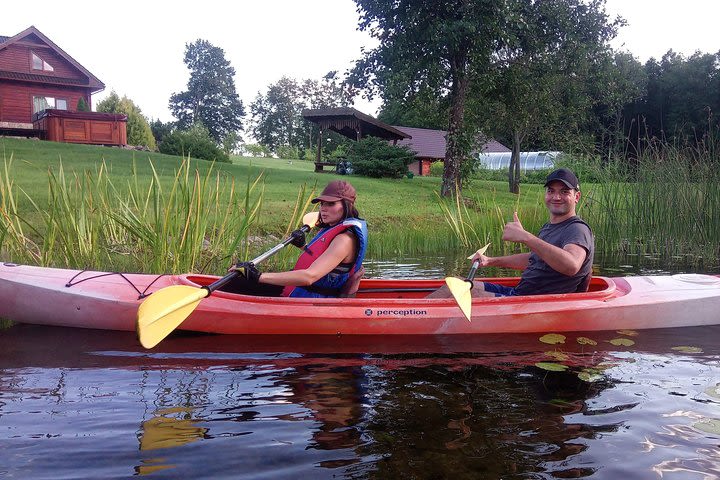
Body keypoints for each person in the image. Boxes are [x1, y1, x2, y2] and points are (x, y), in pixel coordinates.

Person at [430, 168, 594, 298]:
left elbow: (572, 265)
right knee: (455, 283)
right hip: (520, 294)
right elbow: (534, 260)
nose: (556, 197)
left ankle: (410, 318)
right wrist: (490, 261)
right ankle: (413, 315)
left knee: (457, 291)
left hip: (535, 303)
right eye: (551, 191)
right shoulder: (549, 227)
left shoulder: (577, 229)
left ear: (576, 196)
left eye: (564, 192)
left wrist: (526, 237)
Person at [230, 179, 368, 298]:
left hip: (315, 300)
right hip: (304, 291)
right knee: (237, 282)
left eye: (331, 204)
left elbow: (310, 277)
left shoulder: (344, 240)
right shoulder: (334, 229)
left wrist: (258, 276)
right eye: (322, 204)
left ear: (347, 205)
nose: (323, 209)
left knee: (240, 284)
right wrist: (303, 246)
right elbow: (324, 260)